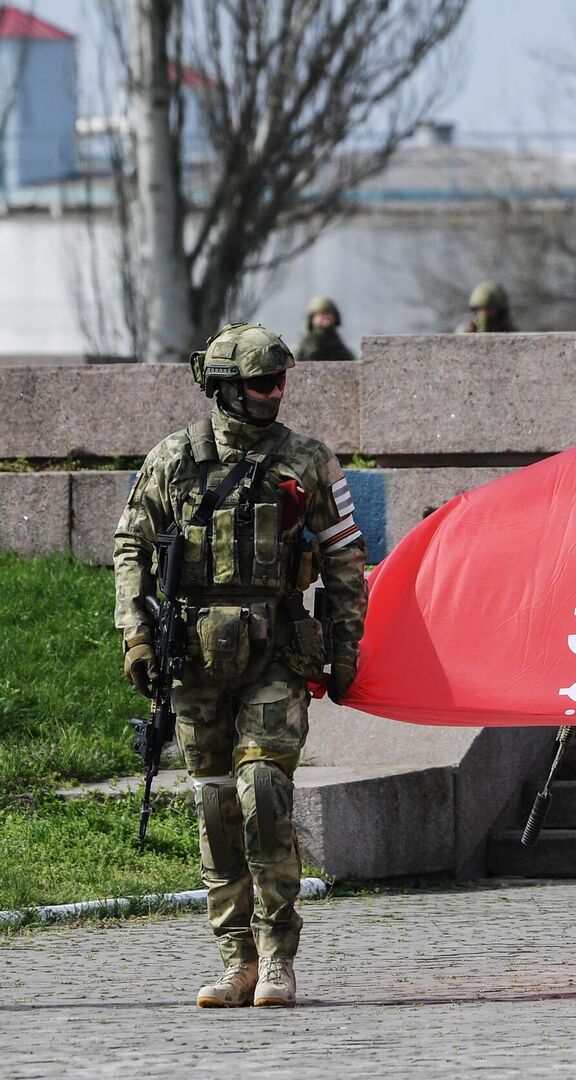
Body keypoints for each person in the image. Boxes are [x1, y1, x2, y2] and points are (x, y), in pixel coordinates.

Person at [113, 324, 367, 1007]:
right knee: (218, 804)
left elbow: (345, 561)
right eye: (261, 382)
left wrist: (346, 650)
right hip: (193, 655)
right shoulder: (173, 459)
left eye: (280, 380)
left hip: (275, 647)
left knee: (264, 792)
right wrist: (136, 634)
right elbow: (131, 546)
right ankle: (238, 960)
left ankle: (279, 956)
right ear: (224, 387)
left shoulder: (308, 461)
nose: (274, 392)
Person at [293, 296, 355, 363]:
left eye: (328, 314)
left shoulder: (341, 350)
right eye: (321, 314)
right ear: (312, 319)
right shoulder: (301, 350)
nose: (325, 318)